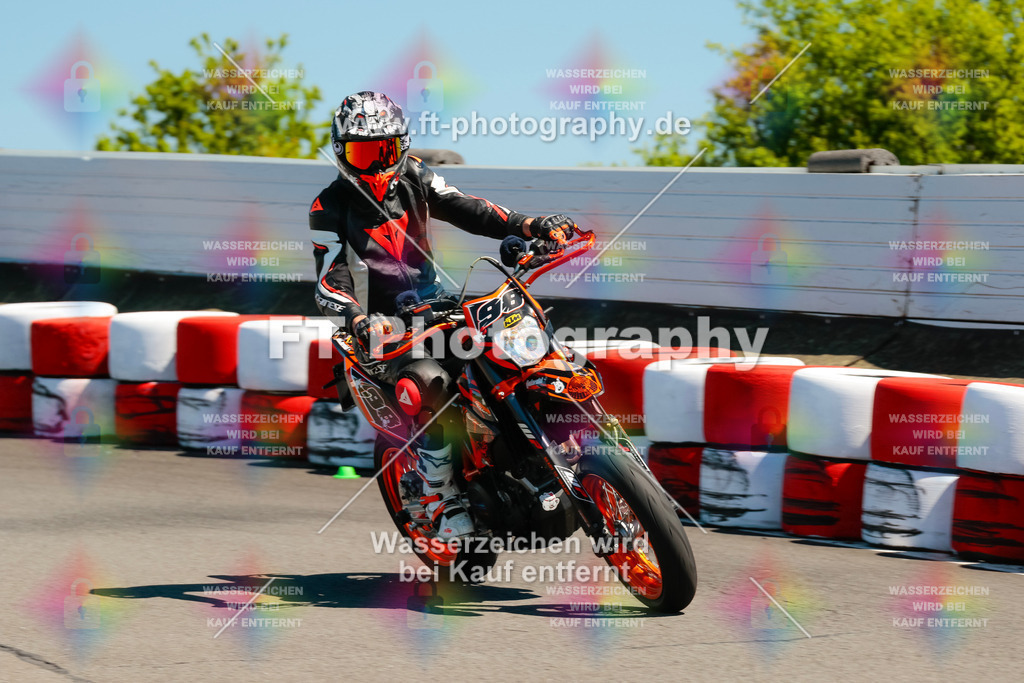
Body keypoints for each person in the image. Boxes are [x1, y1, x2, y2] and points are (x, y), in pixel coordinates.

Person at [310, 91, 575, 540]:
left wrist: (529, 225)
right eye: (362, 153)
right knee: (428, 380)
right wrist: (358, 319)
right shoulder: (328, 206)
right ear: (341, 152)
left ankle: (551, 441)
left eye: (384, 151)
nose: (375, 165)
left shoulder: (415, 175)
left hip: (437, 305)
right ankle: (440, 494)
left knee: (516, 341)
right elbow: (328, 279)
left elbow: (470, 208)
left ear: (401, 147)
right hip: (381, 329)